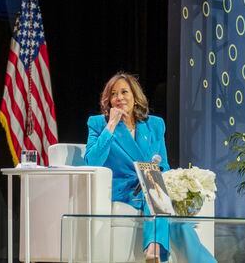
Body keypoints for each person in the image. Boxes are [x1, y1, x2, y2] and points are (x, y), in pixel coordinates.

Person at [84, 72, 215, 263]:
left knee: (179, 223)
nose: (119, 97)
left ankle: (157, 252)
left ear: (135, 97)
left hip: (152, 186)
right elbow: (92, 162)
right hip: (125, 190)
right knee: (158, 195)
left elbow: (164, 165)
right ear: (109, 100)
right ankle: (155, 249)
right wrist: (111, 125)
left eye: (124, 92)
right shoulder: (98, 124)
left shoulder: (154, 125)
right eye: (114, 94)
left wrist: (162, 178)